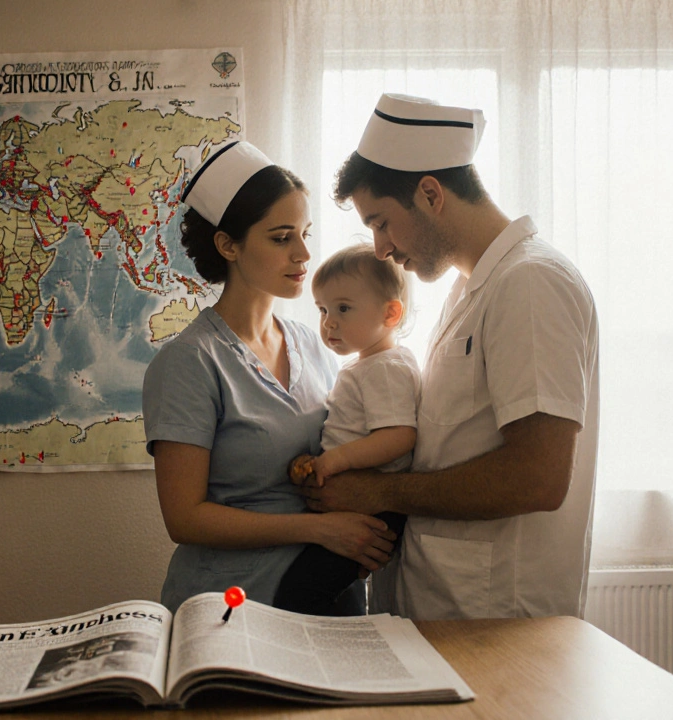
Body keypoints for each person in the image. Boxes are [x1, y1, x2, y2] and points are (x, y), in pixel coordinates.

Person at [298, 93, 600, 620]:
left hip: (497, 618)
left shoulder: (530, 282)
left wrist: (375, 492)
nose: (380, 249)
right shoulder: (469, 291)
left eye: (383, 222)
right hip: (445, 607)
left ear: (431, 193)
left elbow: (538, 477)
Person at [142, 141, 397, 614]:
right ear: (228, 245)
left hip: (328, 593)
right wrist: (320, 529)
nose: (303, 254)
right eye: (281, 238)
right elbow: (184, 519)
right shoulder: (189, 363)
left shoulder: (317, 345)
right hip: (231, 606)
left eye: (305, 233)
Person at [273, 243, 420, 615]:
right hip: (359, 504)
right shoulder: (365, 365)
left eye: (343, 308)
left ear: (390, 313)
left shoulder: (385, 367)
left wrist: (335, 461)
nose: (329, 322)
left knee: (300, 596)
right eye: (323, 309)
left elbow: (399, 437)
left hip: (374, 510)